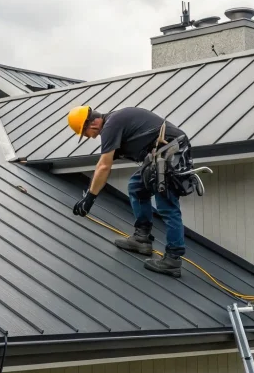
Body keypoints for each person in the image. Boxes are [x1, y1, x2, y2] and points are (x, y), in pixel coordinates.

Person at [68, 104, 188, 278]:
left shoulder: (111, 126)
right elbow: (102, 163)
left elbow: (104, 166)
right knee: (136, 187)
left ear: (91, 125)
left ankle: (173, 259)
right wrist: (89, 193)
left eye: (85, 133)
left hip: (172, 152)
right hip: (159, 156)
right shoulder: (114, 125)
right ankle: (141, 239)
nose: (89, 137)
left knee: (167, 203)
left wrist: (90, 198)